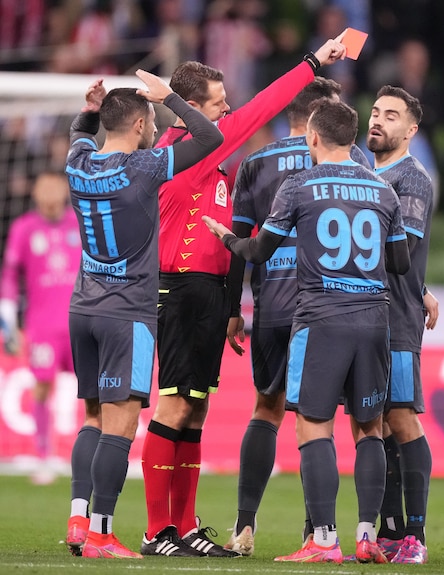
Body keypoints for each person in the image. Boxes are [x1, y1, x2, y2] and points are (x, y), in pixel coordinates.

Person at [140, 36, 347, 558]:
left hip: (208, 291)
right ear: (190, 112)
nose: (228, 109)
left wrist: (231, 305)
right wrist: (314, 61)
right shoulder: (178, 153)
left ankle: (184, 527)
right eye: (217, 103)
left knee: (195, 411)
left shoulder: (216, 162)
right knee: (173, 407)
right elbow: (265, 107)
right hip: (181, 287)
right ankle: (157, 530)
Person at [203, 99, 410, 564]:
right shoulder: (383, 190)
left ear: (313, 138)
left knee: (310, 423)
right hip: (374, 321)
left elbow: (257, 251)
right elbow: (399, 263)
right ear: (353, 139)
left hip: (320, 318)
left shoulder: (299, 185)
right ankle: (365, 536)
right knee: (369, 428)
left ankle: (320, 539)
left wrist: (225, 237)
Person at [63, 72, 224, 559]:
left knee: (91, 416)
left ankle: (77, 512)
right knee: (122, 424)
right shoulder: (146, 167)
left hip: (82, 306)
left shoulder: (79, 162)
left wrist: (91, 112)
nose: (156, 128)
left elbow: (78, 134)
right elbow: (211, 138)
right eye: (152, 120)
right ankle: (102, 533)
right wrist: (170, 96)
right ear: (138, 123)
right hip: (127, 313)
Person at [221, 76, 371, 556]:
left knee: (266, 409)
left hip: (273, 305)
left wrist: (231, 310)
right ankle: (318, 530)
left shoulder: (255, 163)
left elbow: (243, 247)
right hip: (332, 306)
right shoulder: (356, 163)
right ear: (318, 120)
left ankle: (244, 527)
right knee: (322, 419)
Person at [364, 85, 438, 565]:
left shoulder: (411, 179)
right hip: (361, 313)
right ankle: (388, 533)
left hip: (396, 317)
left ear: (410, 130)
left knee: (401, 419)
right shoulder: (362, 172)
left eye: (390, 116)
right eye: (373, 112)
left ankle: (414, 536)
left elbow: (403, 253)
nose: (377, 120)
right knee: (372, 422)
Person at [0, 172, 80, 485]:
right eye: (43, 188)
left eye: (54, 188)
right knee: (43, 388)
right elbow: (9, 275)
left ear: (63, 191)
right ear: (35, 193)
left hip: (81, 322)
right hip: (43, 326)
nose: (49, 195)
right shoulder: (24, 229)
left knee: (94, 390)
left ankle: (88, 456)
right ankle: (44, 456)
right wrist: (7, 316)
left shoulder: (79, 224)